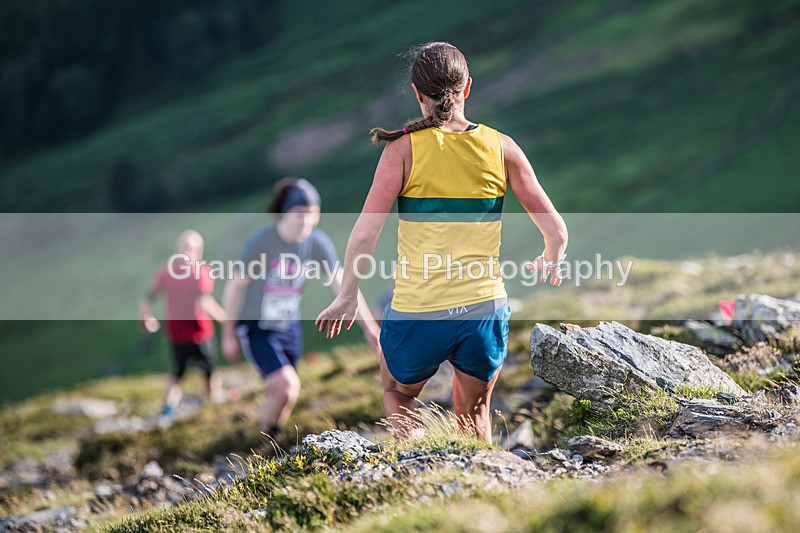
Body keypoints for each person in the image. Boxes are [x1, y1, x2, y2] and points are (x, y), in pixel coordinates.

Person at [316, 42, 568, 443]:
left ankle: (417, 463)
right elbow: (555, 229)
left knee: (396, 393)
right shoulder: (501, 147)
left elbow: (366, 232)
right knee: (476, 412)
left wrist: (348, 295)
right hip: (483, 311)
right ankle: (480, 482)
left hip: (419, 311)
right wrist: (551, 257)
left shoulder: (401, 150)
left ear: (417, 93)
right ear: (467, 87)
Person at [222, 178, 381, 439]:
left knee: (286, 392)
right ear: (284, 214)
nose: (305, 221)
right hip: (257, 327)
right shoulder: (262, 242)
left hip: (289, 327)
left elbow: (345, 288)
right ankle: (266, 443)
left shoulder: (316, 242)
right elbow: (234, 287)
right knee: (286, 385)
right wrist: (228, 335)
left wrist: (370, 329)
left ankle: (268, 440)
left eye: (312, 215)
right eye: (299, 215)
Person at [140, 229, 226, 417]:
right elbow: (205, 302)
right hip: (187, 334)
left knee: (205, 373)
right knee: (184, 374)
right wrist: (226, 320)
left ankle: (207, 411)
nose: (189, 251)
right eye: (186, 247)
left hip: (196, 332)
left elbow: (148, 298)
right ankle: (170, 412)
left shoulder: (171, 272)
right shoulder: (196, 272)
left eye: (192, 248)